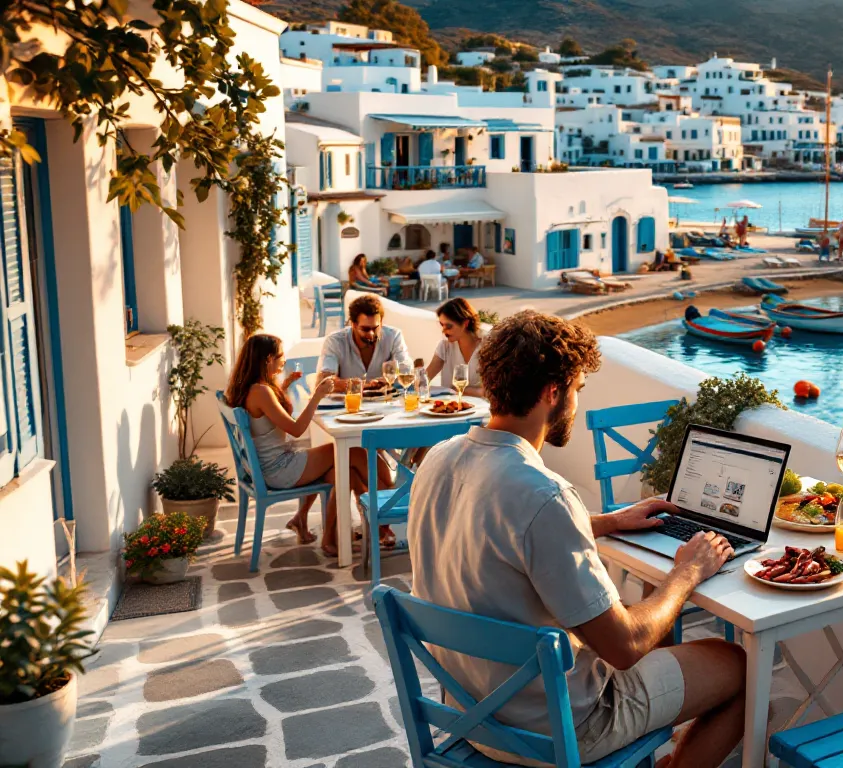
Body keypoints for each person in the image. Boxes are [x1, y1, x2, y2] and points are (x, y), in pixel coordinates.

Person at [408, 311, 746, 768]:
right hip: (558, 728)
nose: (576, 403)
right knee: (740, 666)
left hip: (470, 712)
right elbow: (624, 648)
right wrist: (687, 572)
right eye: (577, 390)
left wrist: (605, 521)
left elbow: (498, 531)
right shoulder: (544, 495)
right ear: (553, 392)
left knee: (650, 619)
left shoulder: (438, 460)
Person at [226, 334, 388, 557]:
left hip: (270, 466)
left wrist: (284, 386)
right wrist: (317, 396)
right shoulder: (261, 392)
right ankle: (385, 514)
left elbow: (274, 419)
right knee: (353, 453)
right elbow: (296, 429)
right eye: (280, 356)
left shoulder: (254, 389)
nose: (284, 360)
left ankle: (324, 534)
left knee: (345, 472)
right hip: (278, 470)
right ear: (267, 360)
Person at [425, 298, 491, 397]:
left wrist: (459, 389)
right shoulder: (445, 346)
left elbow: (493, 392)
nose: (443, 331)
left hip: (482, 409)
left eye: (449, 326)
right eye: (442, 325)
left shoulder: (488, 346)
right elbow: (425, 379)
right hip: (450, 409)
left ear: (465, 323)